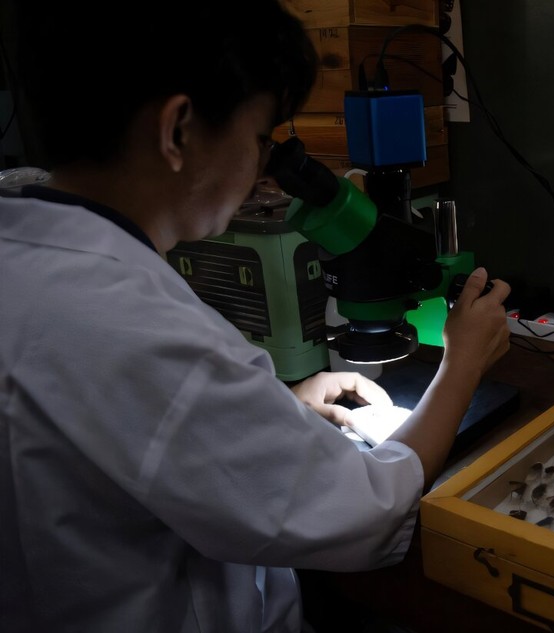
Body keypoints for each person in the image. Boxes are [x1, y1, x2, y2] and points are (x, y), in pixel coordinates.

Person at [0, 1, 511, 631]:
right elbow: (367, 511)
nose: (262, 167)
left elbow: (115, 443)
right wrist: (463, 365)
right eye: (259, 137)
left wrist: (273, 411)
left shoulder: (25, 255)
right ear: (179, 131)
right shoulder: (145, 331)